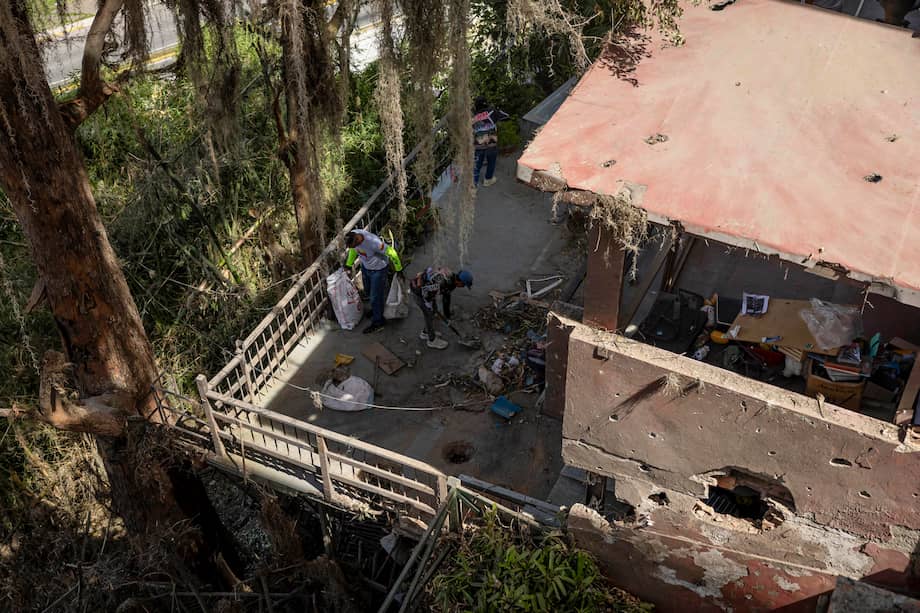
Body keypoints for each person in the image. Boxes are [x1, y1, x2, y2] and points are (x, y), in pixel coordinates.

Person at [344, 229, 403, 334]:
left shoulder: (373, 242)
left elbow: (391, 252)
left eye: (353, 245)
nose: (353, 248)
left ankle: (378, 322)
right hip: (366, 268)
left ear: (357, 239)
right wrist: (349, 264)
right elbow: (354, 250)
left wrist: (399, 269)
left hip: (379, 270)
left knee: (375, 296)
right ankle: (377, 310)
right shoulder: (353, 236)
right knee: (368, 291)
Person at [409, 267, 473, 349]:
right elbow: (424, 290)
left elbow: (446, 297)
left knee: (432, 312)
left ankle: (427, 332)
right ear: (459, 281)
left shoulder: (451, 281)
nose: (463, 287)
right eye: (464, 285)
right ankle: (431, 340)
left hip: (429, 291)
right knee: (429, 316)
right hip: (419, 292)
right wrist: (428, 303)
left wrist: (447, 316)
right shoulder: (443, 282)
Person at [472, 96, 509, 188]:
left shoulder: (472, 116)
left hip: (478, 145)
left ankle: (473, 185)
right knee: (491, 162)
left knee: (477, 165)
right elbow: (506, 116)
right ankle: (488, 180)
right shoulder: (492, 111)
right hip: (491, 144)